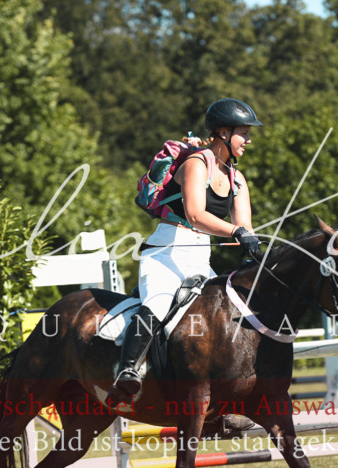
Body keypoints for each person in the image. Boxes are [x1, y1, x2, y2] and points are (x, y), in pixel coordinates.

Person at [107, 98, 265, 405]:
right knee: (159, 302)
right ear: (222, 133)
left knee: (225, 315)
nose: (248, 140)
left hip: (199, 259)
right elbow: (195, 215)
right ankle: (127, 372)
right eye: (243, 133)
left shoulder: (238, 180)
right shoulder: (196, 164)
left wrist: (253, 247)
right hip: (165, 254)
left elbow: (243, 226)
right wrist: (237, 232)